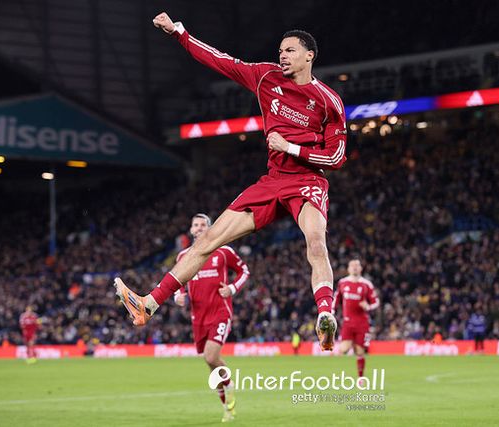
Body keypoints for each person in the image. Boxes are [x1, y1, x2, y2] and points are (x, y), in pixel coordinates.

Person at [114, 11, 347, 351]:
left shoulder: (328, 101)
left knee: (315, 240)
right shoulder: (266, 77)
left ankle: (325, 314)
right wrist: (179, 32)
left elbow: (336, 156)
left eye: (290, 50)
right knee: (208, 240)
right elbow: (220, 61)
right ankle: (148, 303)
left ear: (309, 55)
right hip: (272, 180)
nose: (282, 55)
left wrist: (291, 148)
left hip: (307, 180)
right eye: (280, 50)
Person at [173, 214, 249, 422]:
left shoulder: (223, 251)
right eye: (195, 225)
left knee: (211, 356)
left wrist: (232, 288)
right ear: (191, 230)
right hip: (198, 317)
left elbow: (244, 271)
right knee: (210, 365)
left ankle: (230, 384)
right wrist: (178, 295)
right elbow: (177, 281)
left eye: (203, 225)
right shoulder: (183, 256)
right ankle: (227, 408)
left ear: (210, 228)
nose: (199, 228)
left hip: (220, 312)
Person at [332, 259, 379, 381]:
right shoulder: (342, 283)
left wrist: (368, 307)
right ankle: (337, 376)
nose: (354, 267)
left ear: (361, 268)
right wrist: (331, 312)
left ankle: (360, 378)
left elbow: (376, 302)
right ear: (348, 269)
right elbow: (336, 299)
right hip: (348, 322)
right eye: (352, 265)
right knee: (344, 349)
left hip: (362, 323)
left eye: (357, 265)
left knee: (360, 352)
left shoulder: (366, 284)